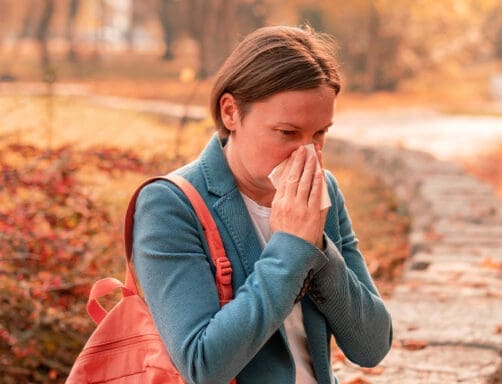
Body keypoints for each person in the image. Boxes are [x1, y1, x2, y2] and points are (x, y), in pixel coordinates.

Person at [132, 26, 392, 384]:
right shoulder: (169, 205)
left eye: (320, 134)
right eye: (287, 132)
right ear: (230, 112)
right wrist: (290, 248)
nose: (308, 154)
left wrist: (318, 247)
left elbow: (372, 346)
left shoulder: (322, 191)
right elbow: (202, 366)